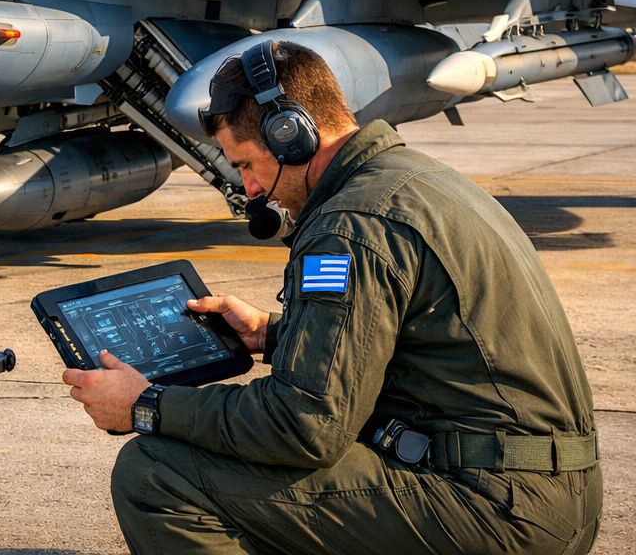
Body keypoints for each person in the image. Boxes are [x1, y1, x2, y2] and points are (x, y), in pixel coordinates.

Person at [63, 40, 600, 554]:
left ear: (290, 136)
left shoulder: (350, 228)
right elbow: (404, 341)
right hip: (545, 493)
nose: (248, 188)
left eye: (247, 163)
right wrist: (272, 334)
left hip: (495, 508)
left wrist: (147, 404)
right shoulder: (413, 181)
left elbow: (304, 425)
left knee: (156, 472)